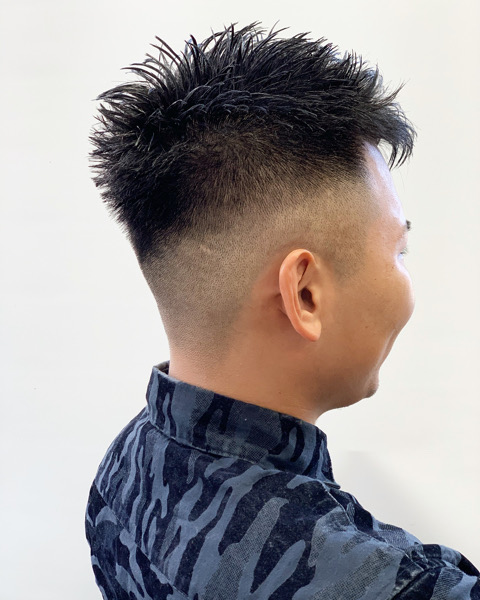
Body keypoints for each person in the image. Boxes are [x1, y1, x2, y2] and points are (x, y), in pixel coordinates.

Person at [85, 22, 479, 600]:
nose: (407, 280)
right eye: (399, 250)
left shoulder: (122, 470)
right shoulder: (393, 586)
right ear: (306, 294)